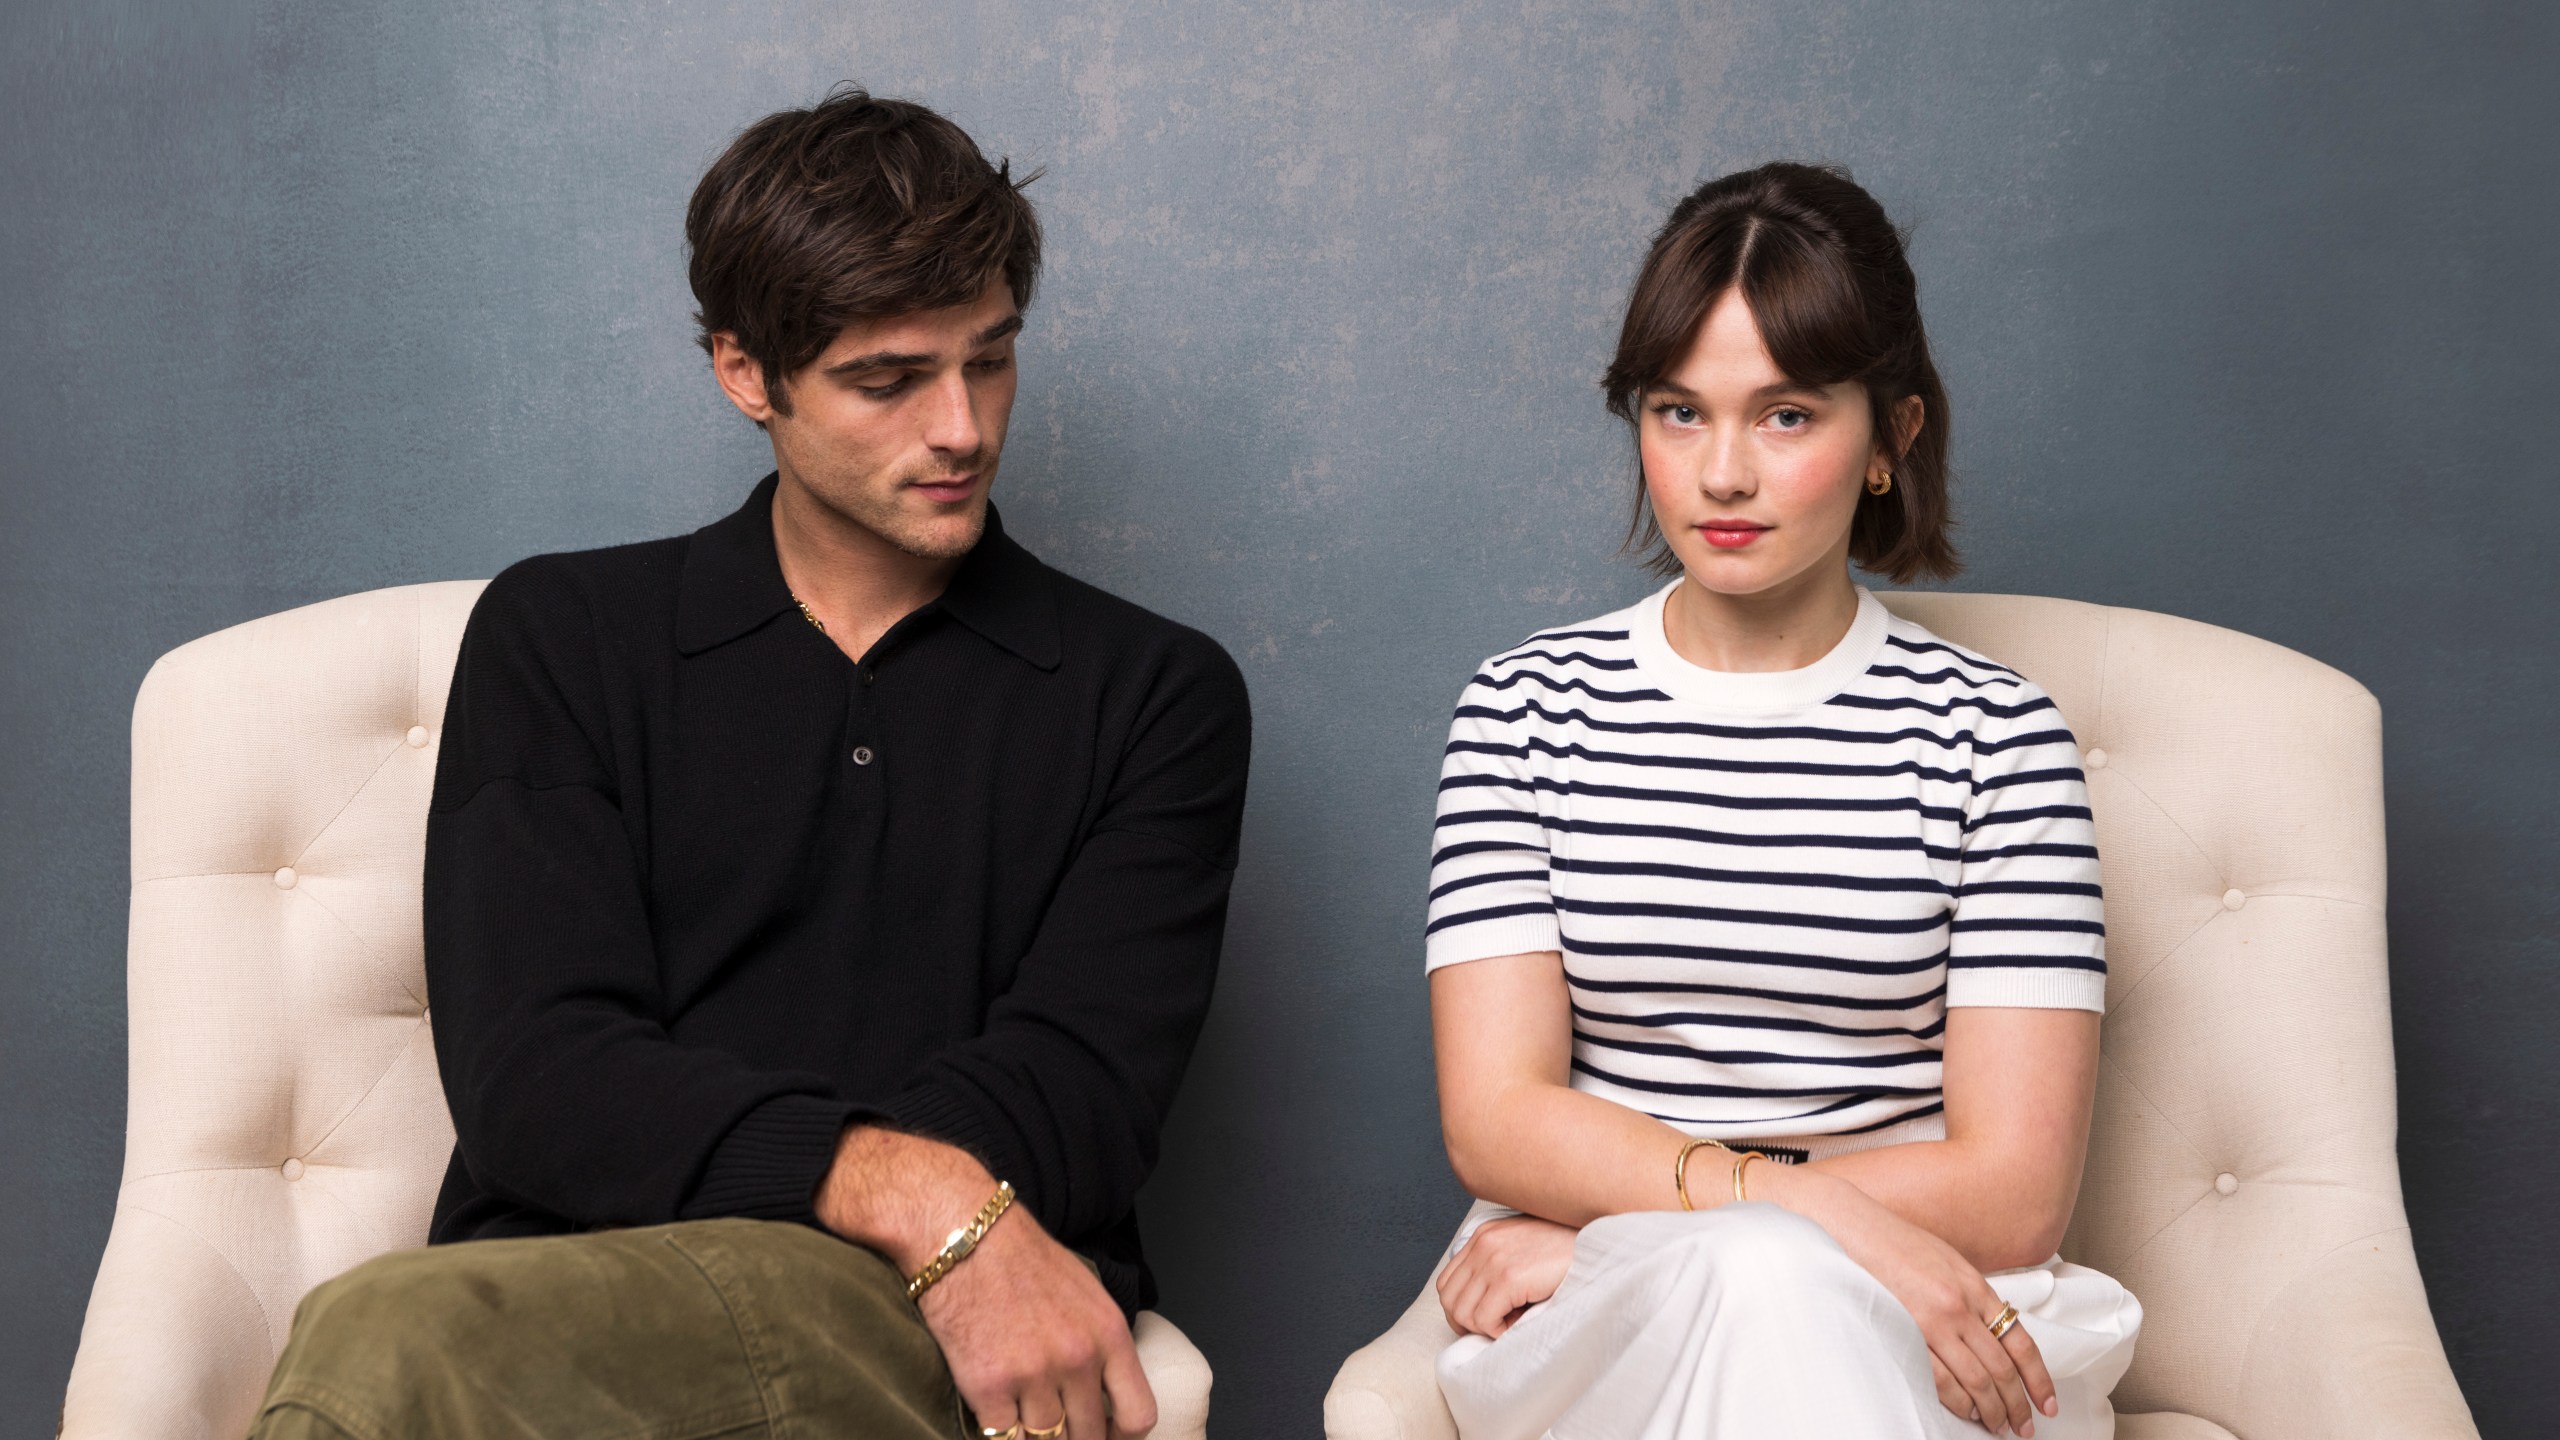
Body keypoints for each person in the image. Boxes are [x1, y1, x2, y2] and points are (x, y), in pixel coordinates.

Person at [247, 89, 1250, 1440]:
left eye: (991, 358)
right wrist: (913, 1187)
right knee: (403, 1342)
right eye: (888, 380)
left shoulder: (1152, 694)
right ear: (744, 372)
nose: (960, 427)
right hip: (565, 1295)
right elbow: (537, 1079)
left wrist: (907, 1218)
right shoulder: (565, 639)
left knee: (378, 1346)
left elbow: (1079, 1093)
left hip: (922, 1316)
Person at [1422, 163, 2141, 1439]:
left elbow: (2019, 1189)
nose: (1722, 473)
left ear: (1893, 438)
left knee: (1768, 1285)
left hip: (1927, 1308)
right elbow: (1496, 1119)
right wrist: (1755, 1223)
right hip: (1596, 1307)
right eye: (1678, 412)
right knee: (1755, 1276)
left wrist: (1677, 1223)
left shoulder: (1997, 736)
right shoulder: (1525, 709)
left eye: (1788, 416)